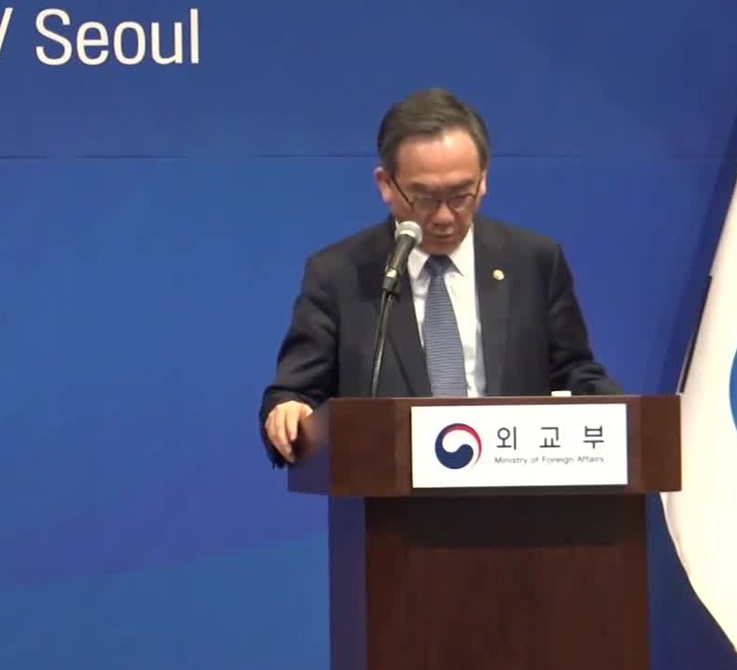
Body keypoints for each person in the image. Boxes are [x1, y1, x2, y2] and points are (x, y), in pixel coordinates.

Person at [260, 87, 619, 466]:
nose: (444, 217)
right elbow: (295, 393)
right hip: (388, 489)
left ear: (483, 179)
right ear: (386, 184)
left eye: (461, 195)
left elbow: (573, 373)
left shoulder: (533, 261)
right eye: (425, 198)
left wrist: (622, 415)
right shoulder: (339, 274)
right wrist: (288, 410)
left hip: (513, 486)